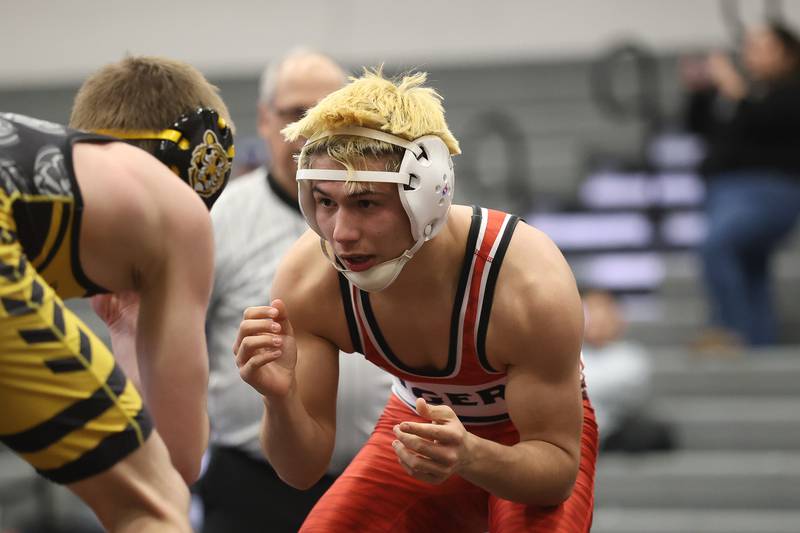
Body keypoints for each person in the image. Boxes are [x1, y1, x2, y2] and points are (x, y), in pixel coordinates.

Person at [234, 69, 598, 532]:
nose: (341, 234)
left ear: (428, 198)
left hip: (530, 446)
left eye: (366, 203)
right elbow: (301, 471)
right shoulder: (310, 279)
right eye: (325, 202)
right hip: (418, 426)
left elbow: (557, 473)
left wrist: (470, 453)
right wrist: (279, 399)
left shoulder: (524, 281)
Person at [0, 57, 234, 532]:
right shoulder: (178, 210)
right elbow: (179, 459)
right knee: (156, 502)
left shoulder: (69, 172)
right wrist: (129, 327)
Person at [199, 49, 392, 533]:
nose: (311, 128)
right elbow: (178, 350)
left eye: (328, 112)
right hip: (254, 490)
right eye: (295, 113)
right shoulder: (218, 220)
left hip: (381, 477)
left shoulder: (398, 216)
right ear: (265, 120)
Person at [683, 22, 800, 347]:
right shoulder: (746, 93)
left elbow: (767, 120)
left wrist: (735, 90)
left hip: (769, 191)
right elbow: (701, 127)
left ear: (788, 55)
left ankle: (730, 330)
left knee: (717, 246)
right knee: (751, 268)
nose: (752, 55)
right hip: (726, 192)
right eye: (750, 47)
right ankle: (759, 342)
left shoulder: (789, 93)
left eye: (763, 47)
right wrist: (698, 92)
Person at [581, 289, 672, 453]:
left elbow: (630, 393)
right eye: (590, 311)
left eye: (603, 311)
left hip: (615, 430)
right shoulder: (569, 354)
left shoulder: (632, 354)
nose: (597, 319)